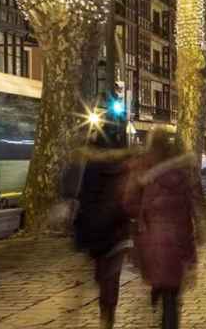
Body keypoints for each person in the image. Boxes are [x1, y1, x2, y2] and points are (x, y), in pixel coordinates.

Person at [124, 129, 206, 329]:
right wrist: (202, 228)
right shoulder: (185, 172)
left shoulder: (142, 168)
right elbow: (197, 204)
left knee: (160, 282)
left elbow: (128, 203)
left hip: (150, 242)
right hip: (179, 241)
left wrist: (142, 211)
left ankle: (156, 294)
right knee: (172, 297)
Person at [69, 137, 134, 329]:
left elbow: (81, 199)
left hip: (94, 232)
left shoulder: (87, 169)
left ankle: (103, 312)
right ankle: (107, 317)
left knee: (101, 274)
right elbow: (127, 201)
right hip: (116, 232)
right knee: (111, 279)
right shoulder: (123, 169)